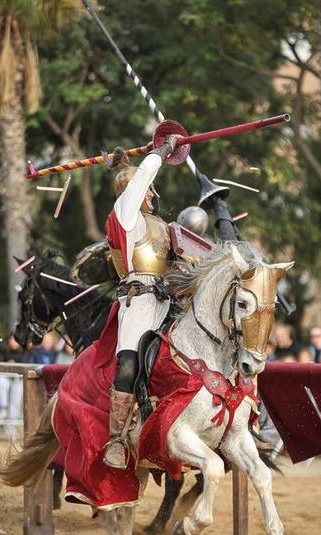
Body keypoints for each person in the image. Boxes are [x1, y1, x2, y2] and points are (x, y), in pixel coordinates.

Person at [101, 136, 181, 470]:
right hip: (140, 303)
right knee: (130, 364)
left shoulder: (162, 226)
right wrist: (160, 152)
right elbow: (140, 184)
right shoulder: (126, 218)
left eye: (150, 188)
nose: (151, 193)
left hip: (169, 302)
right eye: (146, 188)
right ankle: (116, 439)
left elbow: (182, 263)